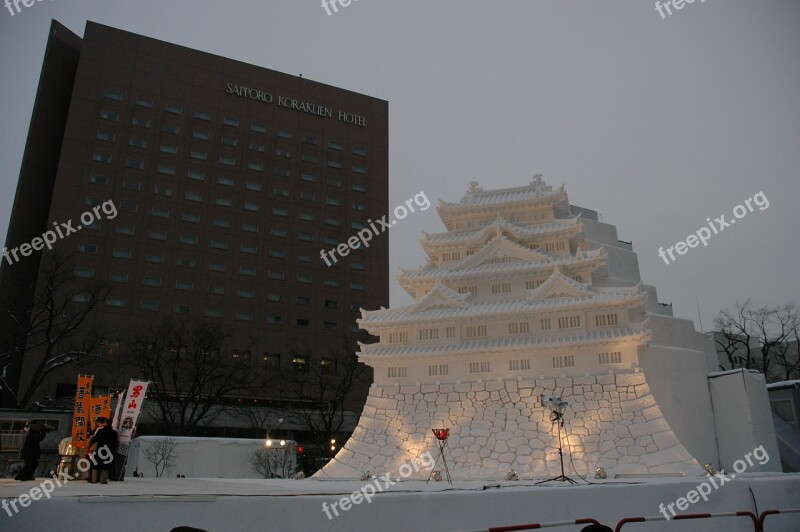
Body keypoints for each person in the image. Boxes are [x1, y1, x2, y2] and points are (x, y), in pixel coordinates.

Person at [88, 417, 118, 484]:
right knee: (105, 466)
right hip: (109, 451)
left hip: (100, 450)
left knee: (95, 464)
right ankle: (103, 480)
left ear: (105, 424)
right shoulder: (114, 433)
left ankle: (94, 479)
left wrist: (90, 444)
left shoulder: (101, 431)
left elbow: (95, 439)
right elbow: (115, 444)